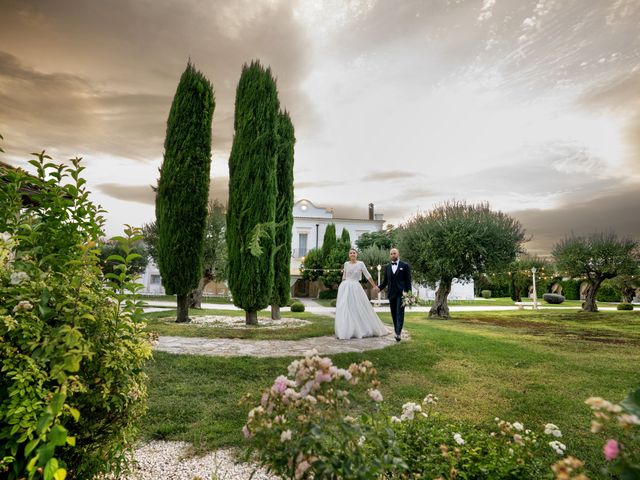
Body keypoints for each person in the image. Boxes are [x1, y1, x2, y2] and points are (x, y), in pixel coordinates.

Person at [335, 248, 389, 340]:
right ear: (349, 255)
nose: (352, 254)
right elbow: (344, 277)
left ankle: (361, 328)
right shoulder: (346, 264)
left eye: (354, 253)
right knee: (345, 308)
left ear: (357, 254)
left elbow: (367, 275)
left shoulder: (361, 264)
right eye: (351, 253)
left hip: (356, 287)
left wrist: (374, 286)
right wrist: (341, 288)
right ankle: (346, 329)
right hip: (345, 287)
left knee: (358, 307)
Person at [377, 248, 412, 342]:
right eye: (391, 254)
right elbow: (385, 282)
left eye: (394, 253)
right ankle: (397, 330)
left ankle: (398, 333)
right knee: (393, 313)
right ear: (390, 255)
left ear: (398, 254)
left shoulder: (405, 266)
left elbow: (408, 281)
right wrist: (379, 288)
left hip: (402, 294)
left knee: (399, 312)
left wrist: (409, 295)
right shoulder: (387, 267)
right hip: (391, 294)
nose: (393, 255)